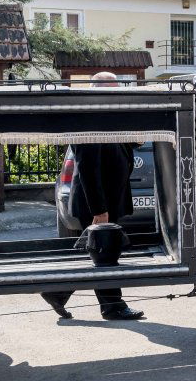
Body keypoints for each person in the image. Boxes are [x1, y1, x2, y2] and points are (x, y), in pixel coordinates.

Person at [43, 72, 145, 322]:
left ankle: (58, 292)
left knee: (94, 254)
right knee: (105, 254)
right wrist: (99, 211)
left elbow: (129, 143)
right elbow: (88, 169)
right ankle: (112, 306)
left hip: (109, 200)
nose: (118, 94)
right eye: (114, 89)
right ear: (99, 90)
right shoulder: (87, 117)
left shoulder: (106, 115)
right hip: (97, 204)